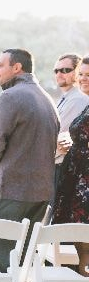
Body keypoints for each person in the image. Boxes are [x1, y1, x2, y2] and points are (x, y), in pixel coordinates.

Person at [0, 49, 59, 282]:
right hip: (40, 191)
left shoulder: (10, 96)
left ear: (17, 67)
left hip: (13, 188)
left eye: (0, 65)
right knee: (25, 252)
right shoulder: (46, 98)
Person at [54, 56, 89, 275]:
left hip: (86, 182)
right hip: (76, 179)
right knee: (81, 244)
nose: (84, 79)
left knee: (86, 243)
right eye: (82, 74)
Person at [53, 53, 89, 192]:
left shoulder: (79, 100)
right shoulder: (83, 103)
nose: (83, 79)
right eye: (81, 74)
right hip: (74, 171)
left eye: (65, 70)